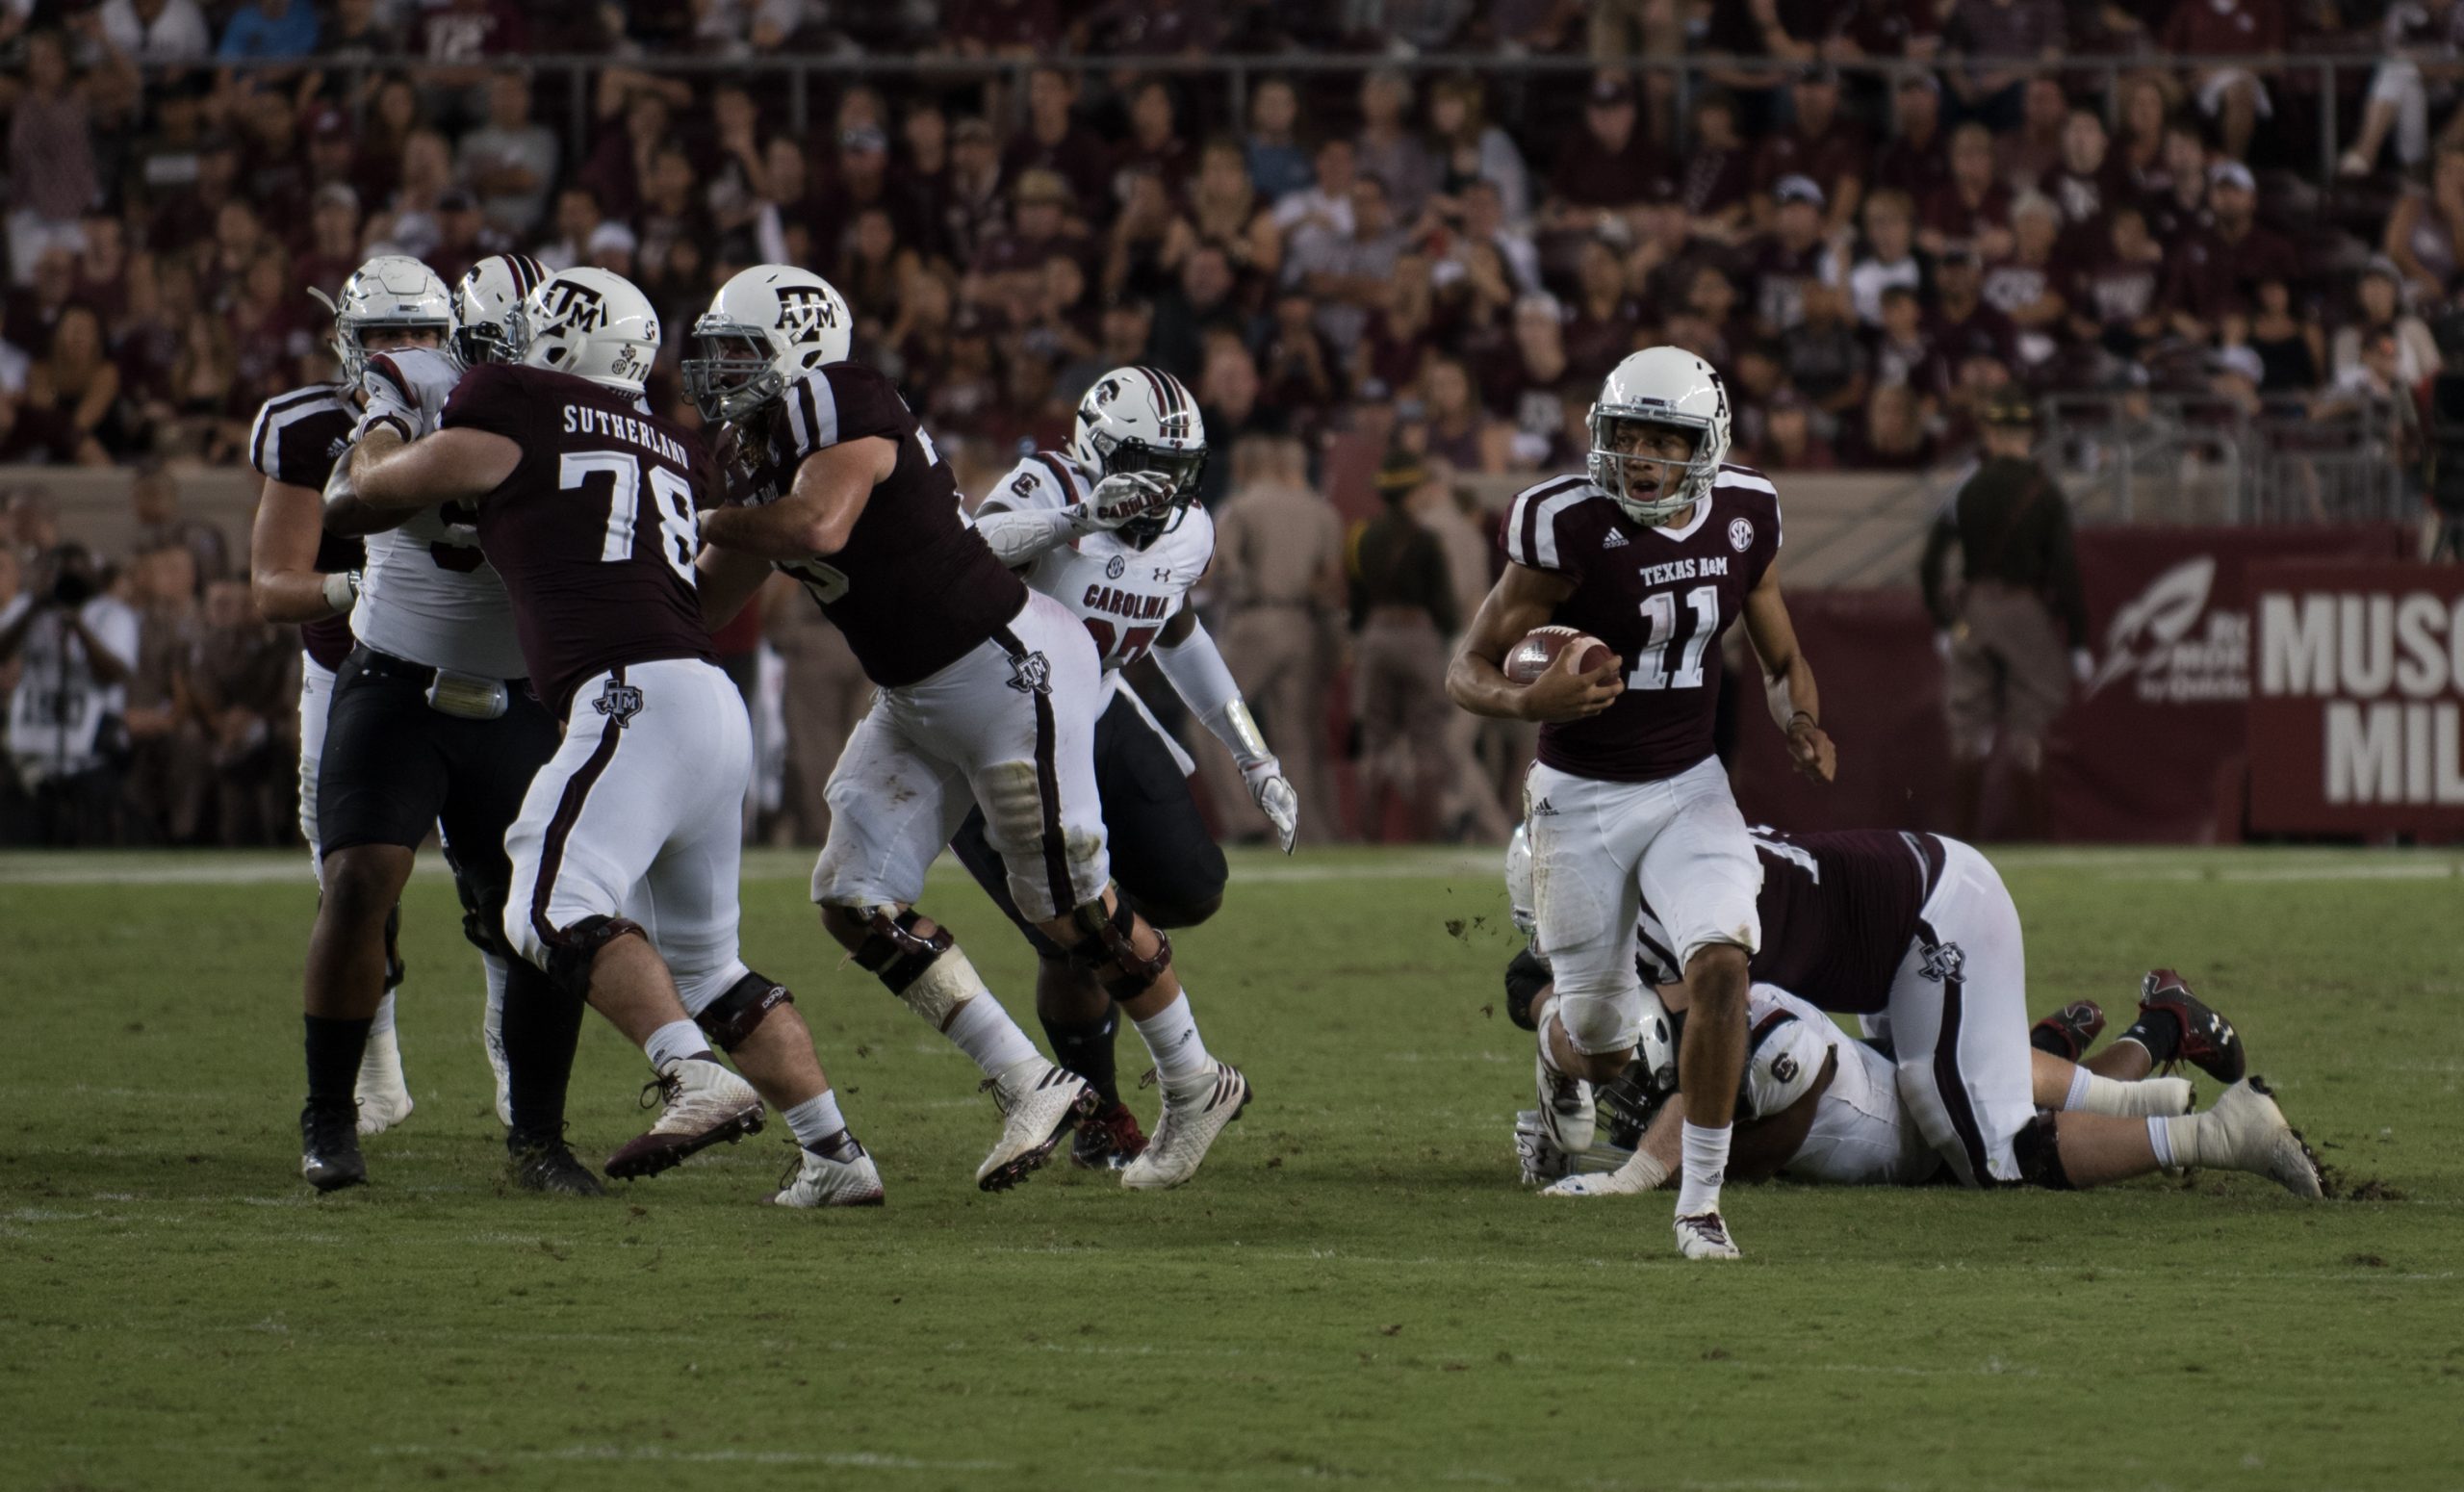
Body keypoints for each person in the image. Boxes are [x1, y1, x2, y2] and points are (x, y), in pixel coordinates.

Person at [685, 265, 1251, 1193]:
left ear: (799, 350)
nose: (719, 373)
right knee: (851, 897)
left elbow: (820, 525)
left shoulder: (842, 393)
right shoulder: (753, 455)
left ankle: (1194, 1081)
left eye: (742, 352)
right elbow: (709, 599)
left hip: (1005, 665)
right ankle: (1027, 1076)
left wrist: (692, 516)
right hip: (914, 689)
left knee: (1069, 910)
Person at [348, 265, 884, 1211]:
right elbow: (716, 589)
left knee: (543, 905)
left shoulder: (511, 396)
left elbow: (372, 497)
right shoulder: (678, 446)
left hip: (629, 693)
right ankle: (834, 1150)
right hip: (706, 697)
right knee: (709, 963)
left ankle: (692, 1073)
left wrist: (375, 430)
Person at [1444, 347, 1836, 1261]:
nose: (1644, 459)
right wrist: (1523, 701)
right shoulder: (1563, 524)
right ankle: (1554, 1050)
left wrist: (1801, 718)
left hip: (1689, 788)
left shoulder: (1747, 512)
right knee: (1606, 1046)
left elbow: (1781, 660)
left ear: (1707, 446)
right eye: (1629, 438)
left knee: (1721, 968)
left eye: (1666, 440)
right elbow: (1465, 667)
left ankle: (1698, 1204)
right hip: (1578, 802)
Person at [1499, 828, 2317, 1200]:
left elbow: (1714, 1045)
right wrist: (1552, 1041)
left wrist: (1632, 1169)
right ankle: (2163, 1029)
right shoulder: (1643, 890)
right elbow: (1528, 980)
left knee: (1994, 1154)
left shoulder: (1691, 918)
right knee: (1957, 1093)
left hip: (1936, 917)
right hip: (1887, 946)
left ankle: (2221, 1134)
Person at [287, 254, 584, 1195]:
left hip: (521, 688)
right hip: (397, 673)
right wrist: (389, 459)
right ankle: (331, 1114)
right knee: (359, 877)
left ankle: (537, 1136)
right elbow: (347, 492)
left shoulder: (591, 402)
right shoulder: (415, 379)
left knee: (536, 915)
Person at [955, 366, 1299, 1168]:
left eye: (1180, 471)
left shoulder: (1191, 531)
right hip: (996, 728)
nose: (1166, 489)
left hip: (1099, 712)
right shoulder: (1046, 480)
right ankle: (1102, 1110)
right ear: (1099, 451)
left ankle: (1103, 939)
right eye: (1148, 466)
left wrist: (1253, 756)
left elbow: (1178, 633)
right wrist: (1075, 518)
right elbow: (968, 555)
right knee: (1071, 939)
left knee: (1195, 887)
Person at [1918, 391, 2089, 842]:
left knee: (1969, 727)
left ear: (1989, 435)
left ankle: (1964, 838)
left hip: (1974, 610)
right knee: (2028, 726)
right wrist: (2077, 640)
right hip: (2025, 610)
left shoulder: (1966, 488)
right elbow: (2065, 571)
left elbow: (1930, 563)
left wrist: (1941, 621)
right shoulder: (2045, 492)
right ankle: (2035, 838)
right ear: (2029, 436)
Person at [1209, 437, 1347, 844]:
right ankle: (1297, 831)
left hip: (1254, 620)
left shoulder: (1242, 506)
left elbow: (1220, 570)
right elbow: (1330, 583)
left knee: (1212, 720)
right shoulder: (1322, 512)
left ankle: (1247, 822)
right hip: (1303, 623)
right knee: (1294, 736)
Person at [0, 543, 138, 845]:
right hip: (30, 746)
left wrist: (78, 625)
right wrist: (36, 605)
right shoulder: (27, 609)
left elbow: (114, 672)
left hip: (91, 748)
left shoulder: (111, 614)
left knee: (91, 838)